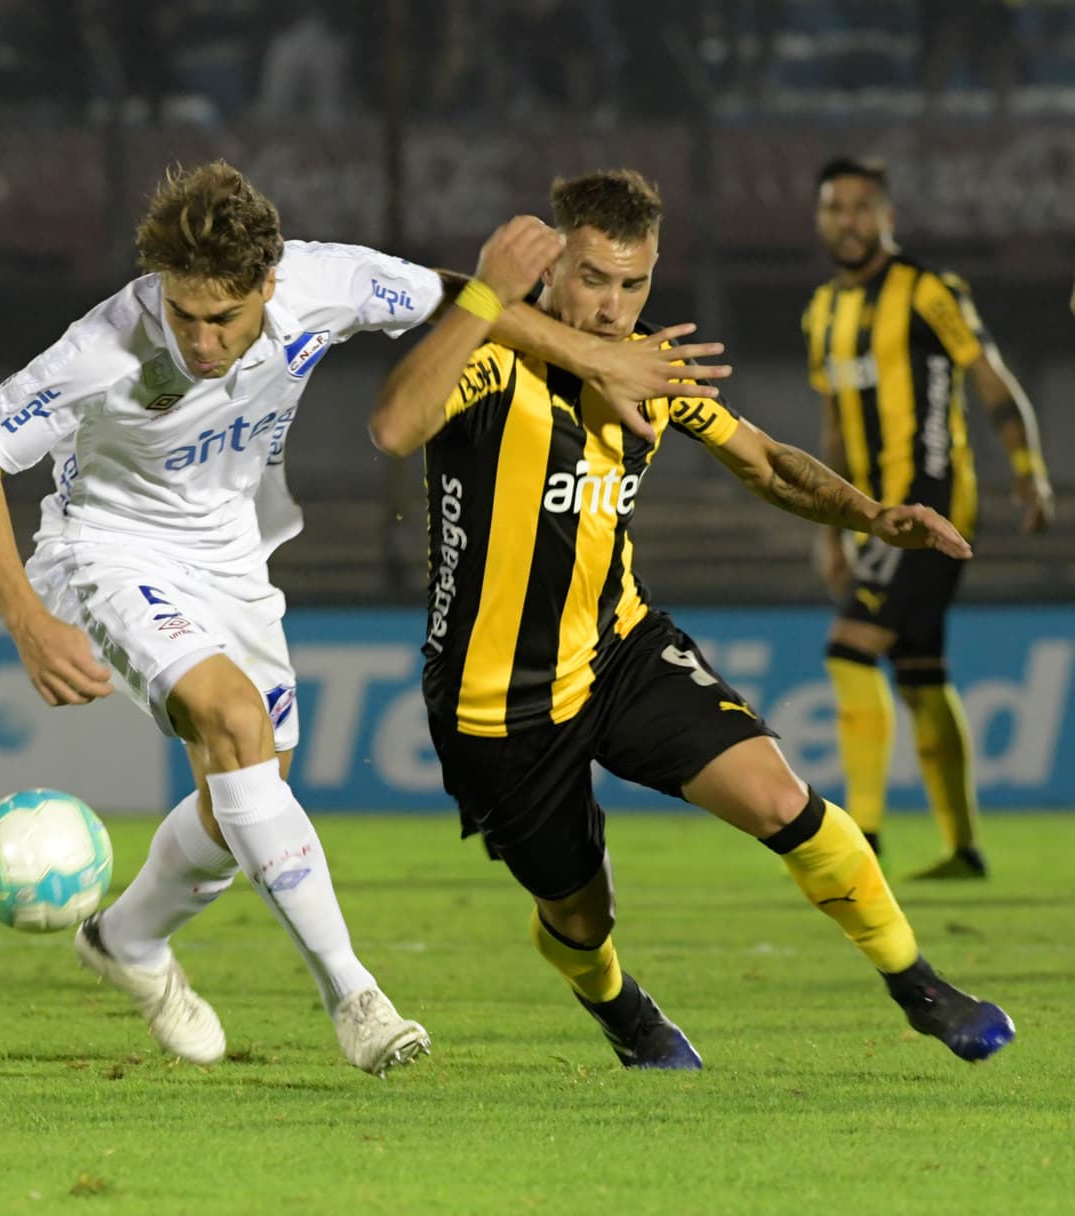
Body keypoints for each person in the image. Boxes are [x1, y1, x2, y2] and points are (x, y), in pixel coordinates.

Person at [0, 159, 732, 1077]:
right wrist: (29, 624)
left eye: (223, 320)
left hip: (231, 555)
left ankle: (127, 942)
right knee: (236, 726)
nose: (200, 341)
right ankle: (354, 993)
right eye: (184, 314)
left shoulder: (324, 280)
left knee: (241, 798)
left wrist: (595, 353)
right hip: (108, 549)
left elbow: (457, 301)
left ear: (269, 285)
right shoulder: (102, 347)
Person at [368, 169, 1015, 1070]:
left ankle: (919, 983)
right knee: (580, 916)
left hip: (620, 647)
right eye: (593, 278)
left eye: (634, 284)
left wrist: (870, 514)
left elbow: (763, 462)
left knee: (781, 798)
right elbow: (394, 424)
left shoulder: (650, 367)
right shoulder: (489, 356)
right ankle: (620, 1007)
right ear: (552, 265)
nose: (613, 306)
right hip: (495, 701)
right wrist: (484, 293)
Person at [805, 156, 1054, 879]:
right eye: (834, 208)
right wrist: (830, 530)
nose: (847, 221)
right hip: (873, 512)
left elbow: (988, 376)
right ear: (820, 220)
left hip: (930, 503)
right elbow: (833, 436)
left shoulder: (927, 291)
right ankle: (964, 848)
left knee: (849, 650)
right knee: (918, 672)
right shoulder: (821, 311)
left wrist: (1029, 469)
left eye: (861, 207)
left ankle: (865, 841)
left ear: (886, 215)